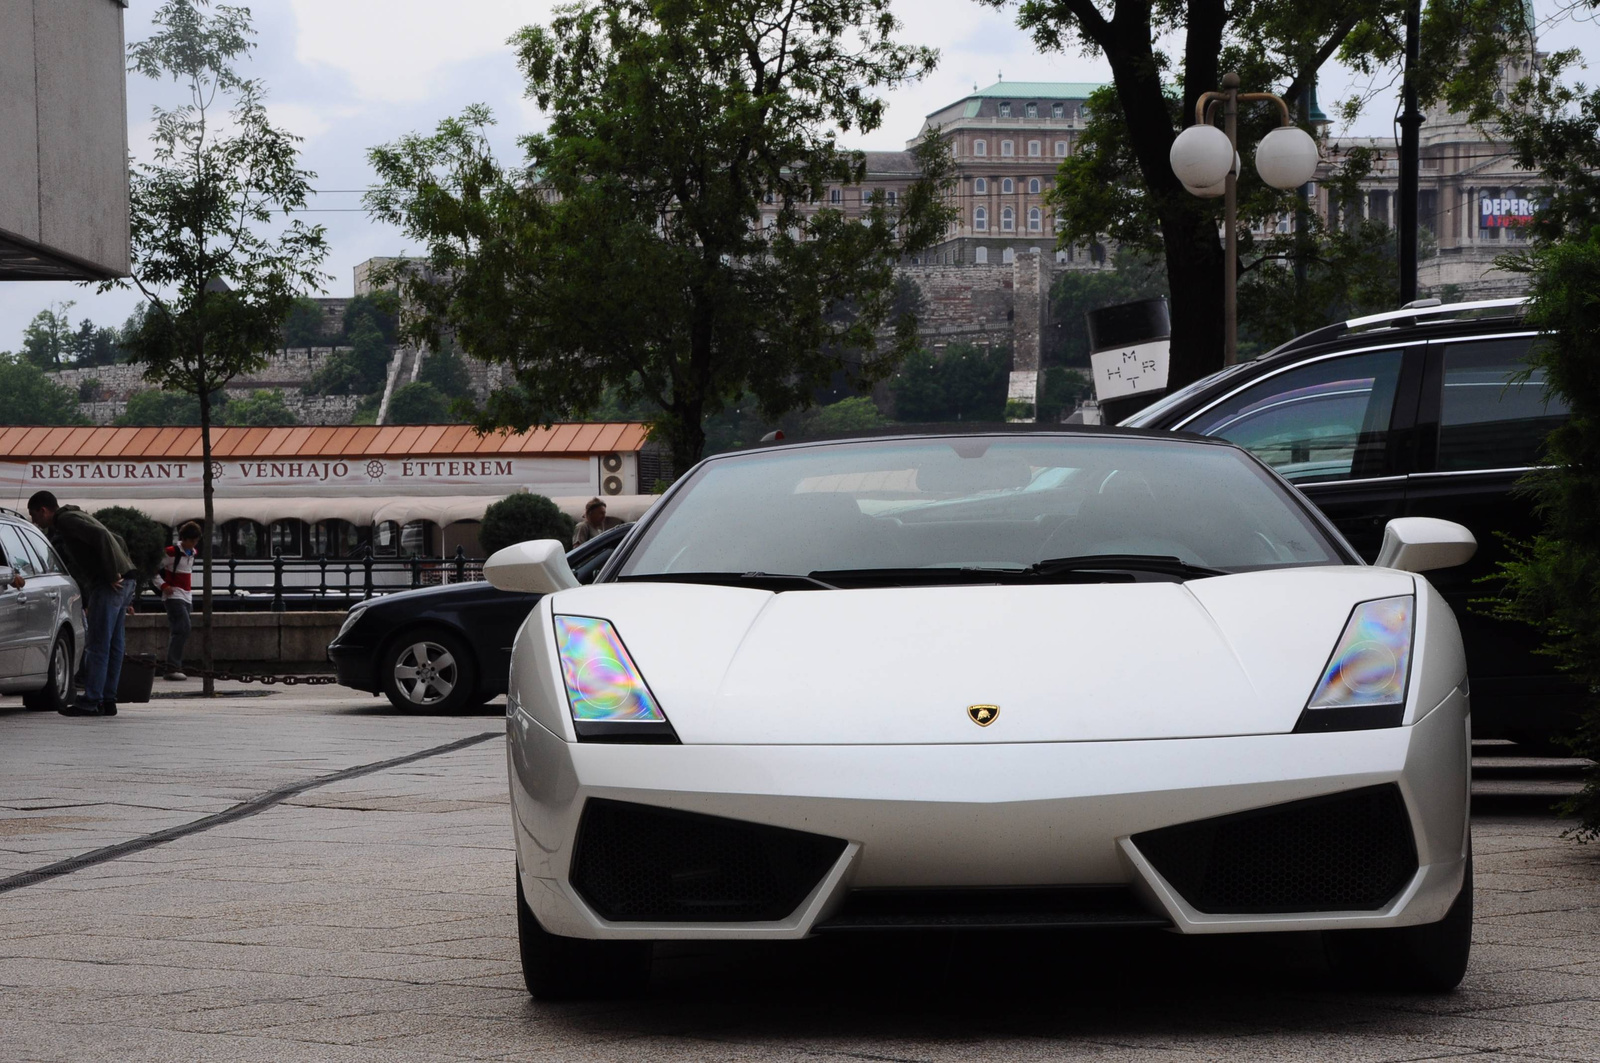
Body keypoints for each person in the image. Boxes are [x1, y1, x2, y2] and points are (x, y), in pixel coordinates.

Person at [27, 490, 136, 717]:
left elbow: (102, 537)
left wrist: (111, 574)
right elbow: (118, 539)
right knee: (115, 645)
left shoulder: (66, 521)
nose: (34, 522)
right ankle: (108, 700)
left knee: (98, 645)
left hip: (109, 584)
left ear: (43, 510)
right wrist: (124, 570)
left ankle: (91, 701)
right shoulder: (79, 515)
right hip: (127, 581)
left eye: (34, 516)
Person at [156, 522, 201, 681]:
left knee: (180, 629)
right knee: (182, 628)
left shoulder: (192, 552)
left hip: (187, 596)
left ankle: (174, 665)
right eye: (192, 541)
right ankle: (172, 666)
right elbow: (153, 570)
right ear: (184, 539)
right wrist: (164, 585)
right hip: (174, 595)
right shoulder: (171, 552)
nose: (194, 544)